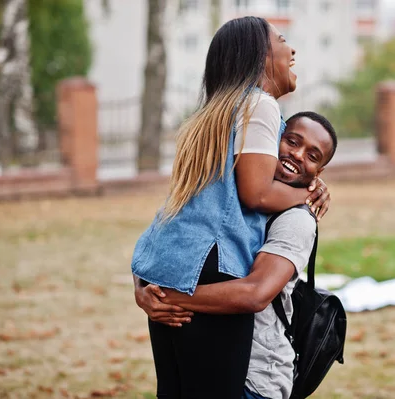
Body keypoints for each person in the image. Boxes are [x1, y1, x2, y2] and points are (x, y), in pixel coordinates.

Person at [131, 17, 330, 399]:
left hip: (174, 268)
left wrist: (145, 285)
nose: (293, 51)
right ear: (260, 57)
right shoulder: (260, 104)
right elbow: (255, 194)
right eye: (284, 41)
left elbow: (178, 211)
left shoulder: (211, 116)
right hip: (215, 272)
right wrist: (307, 195)